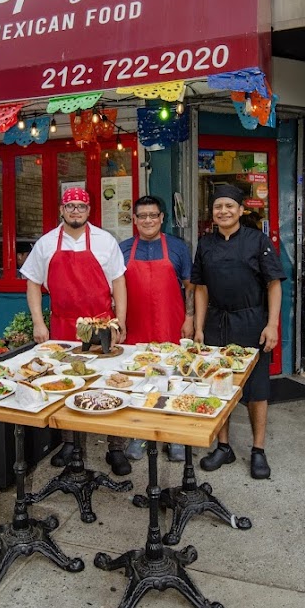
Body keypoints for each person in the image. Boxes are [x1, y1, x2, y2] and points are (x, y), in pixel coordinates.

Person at [20, 187, 130, 475]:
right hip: (63, 325)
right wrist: (38, 322)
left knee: (106, 383)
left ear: (89, 210)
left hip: (102, 324)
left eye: (82, 206)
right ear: (61, 210)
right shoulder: (45, 244)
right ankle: (70, 443)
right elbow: (32, 282)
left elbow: (119, 282)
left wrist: (121, 320)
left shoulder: (106, 241)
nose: (76, 211)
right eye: (71, 207)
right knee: (66, 383)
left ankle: (115, 447)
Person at [191, 184, 286, 479]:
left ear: (241, 210)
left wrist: (271, 325)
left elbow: (274, 285)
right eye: (218, 206)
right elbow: (201, 289)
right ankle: (224, 446)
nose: (223, 211)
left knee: (257, 390)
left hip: (251, 322)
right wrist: (198, 328)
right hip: (216, 323)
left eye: (229, 206)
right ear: (212, 213)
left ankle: (258, 450)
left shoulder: (257, 241)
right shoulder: (205, 244)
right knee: (219, 387)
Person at [119, 195, 194, 463]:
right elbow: (115, 288)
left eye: (154, 215)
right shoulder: (123, 249)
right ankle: (140, 434)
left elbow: (189, 285)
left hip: (170, 322)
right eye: (143, 216)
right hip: (136, 325)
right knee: (139, 378)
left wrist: (189, 317)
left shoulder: (178, 247)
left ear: (162, 218)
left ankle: (173, 435)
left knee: (172, 377)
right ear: (135, 220)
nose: (148, 220)